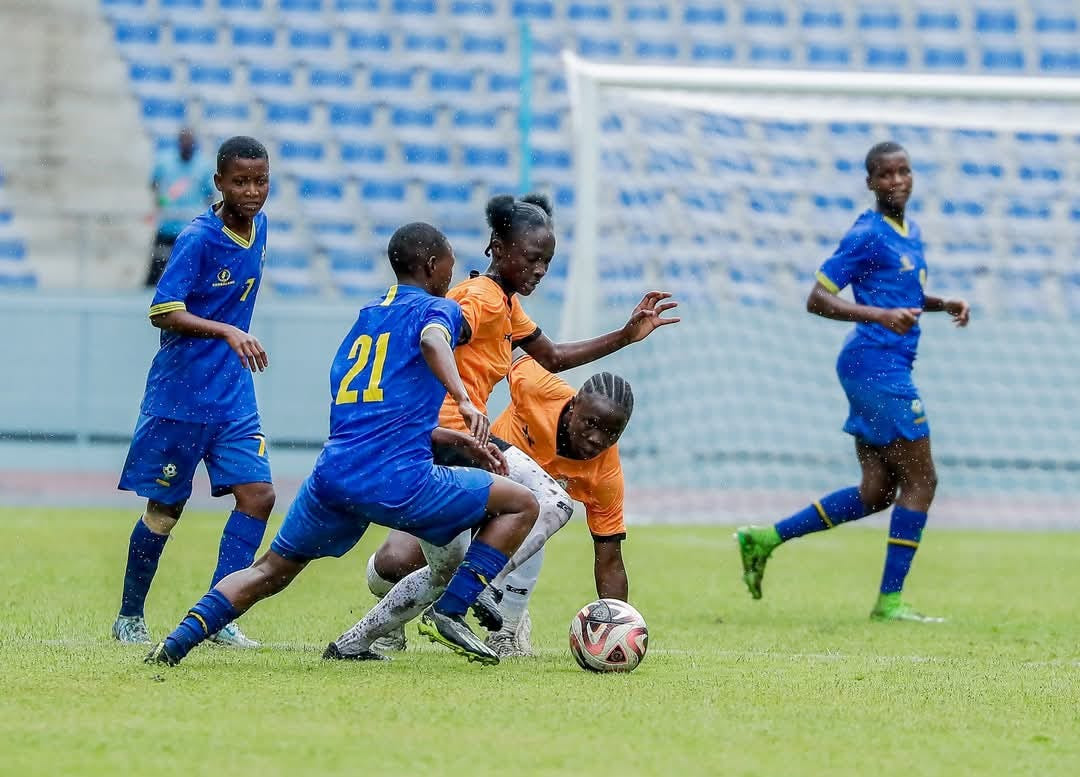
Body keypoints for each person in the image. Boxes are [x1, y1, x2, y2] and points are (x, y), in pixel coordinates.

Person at [145, 222, 539, 667]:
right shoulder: (435, 310)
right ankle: (449, 611)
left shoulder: (368, 316)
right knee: (522, 504)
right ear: (432, 266)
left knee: (268, 571)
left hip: (333, 476)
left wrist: (452, 437)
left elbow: (372, 411)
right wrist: (465, 400)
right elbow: (433, 339)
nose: (452, 276)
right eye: (448, 266)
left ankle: (173, 645)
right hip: (399, 479)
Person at [330, 192, 678, 659]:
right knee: (551, 500)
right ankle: (463, 601)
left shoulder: (505, 304)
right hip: (450, 432)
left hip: (441, 437)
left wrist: (624, 335)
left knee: (446, 566)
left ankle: (354, 642)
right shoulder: (482, 299)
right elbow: (432, 333)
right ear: (499, 247)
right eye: (532, 258)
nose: (540, 270)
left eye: (547, 262)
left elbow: (552, 357)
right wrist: (456, 396)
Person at [735, 141, 971, 622]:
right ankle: (890, 602)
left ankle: (765, 538)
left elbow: (901, 291)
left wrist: (939, 303)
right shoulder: (866, 233)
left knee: (877, 491)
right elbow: (817, 298)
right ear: (870, 182)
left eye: (904, 171)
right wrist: (880, 315)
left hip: (882, 365)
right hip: (875, 366)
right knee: (922, 481)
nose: (897, 181)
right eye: (885, 174)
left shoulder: (910, 231)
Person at [357, 353, 636, 658]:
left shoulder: (606, 476)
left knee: (541, 508)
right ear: (573, 404)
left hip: (513, 525)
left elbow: (609, 558)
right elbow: (511, 349)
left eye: (611, 433)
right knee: (392, 564)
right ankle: (392, 625)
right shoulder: (536, 384)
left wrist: (620, 622)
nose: (597, 438)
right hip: (469, 487)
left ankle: (507, 627)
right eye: (590, 423)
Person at [112, 136, 275, 649]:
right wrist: (227, 331)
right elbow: (162, 310)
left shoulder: (262, 228)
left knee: (259, 495)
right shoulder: (197, 239)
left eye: (260, 181)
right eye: (241, 181)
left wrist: (232, 339)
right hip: (180, 395)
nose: (252, 191)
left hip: (232, 395)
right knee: (166, 510)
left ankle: (217, 617)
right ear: (220, 183)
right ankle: (129, 618)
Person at [147, 127, 216, 286]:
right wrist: (161, 200)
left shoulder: (204, 165)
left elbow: (210, 194)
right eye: (183, 141)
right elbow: (153, 183)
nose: (186, 144)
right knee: (156, 269)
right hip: (167, 225)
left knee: (192, 272)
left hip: (191, 228)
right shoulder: (165, 161)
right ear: (178, 142)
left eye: (189, 141)